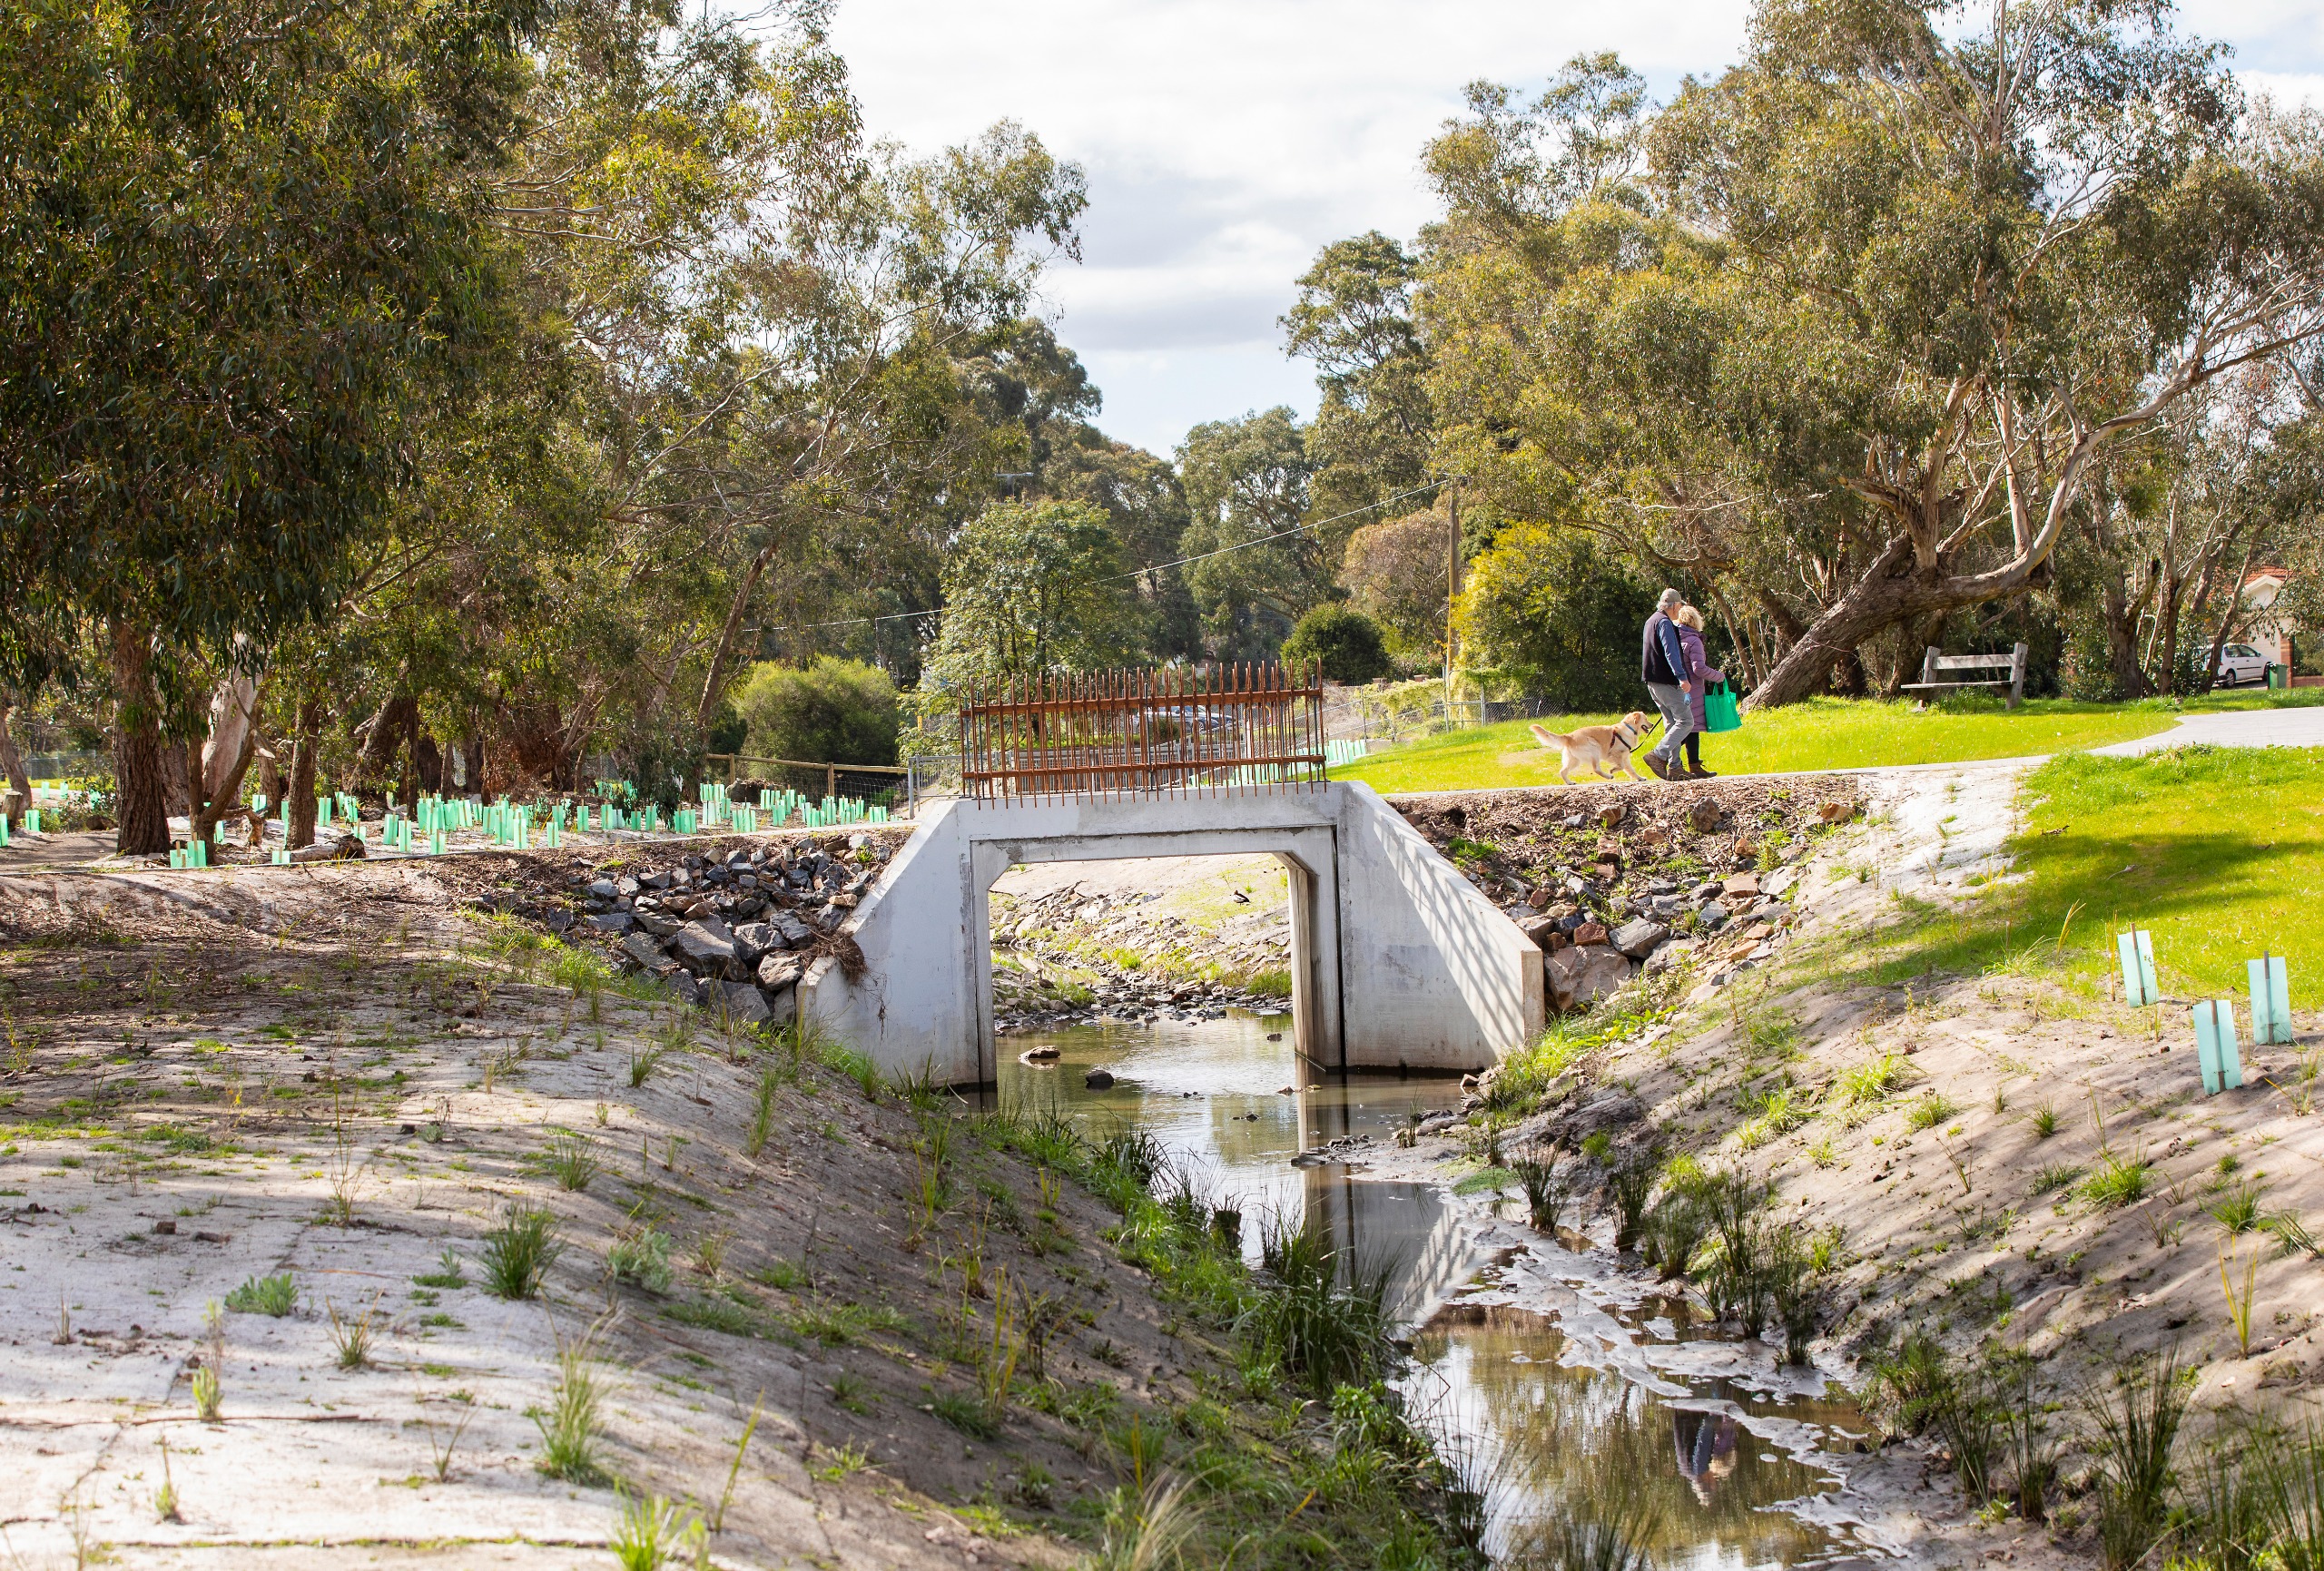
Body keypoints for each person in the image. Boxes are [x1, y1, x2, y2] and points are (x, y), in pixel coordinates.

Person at [1638, 588, 1695, 781]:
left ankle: (1675, 767)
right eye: (1680, 606)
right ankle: (1658, 754)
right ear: (1675, 606)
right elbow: (1671, 653)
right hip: (1667, 682)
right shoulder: (1664, 623)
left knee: (1671, 723)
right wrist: (1682, 677)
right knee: (1686, 722)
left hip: (1652, 681)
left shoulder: (1651, 620)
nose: (1680, 610)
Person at [1672, 604, 1725, 779]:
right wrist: (1719, 676)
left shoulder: (1673, 638)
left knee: (1691, 728)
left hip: (1676, 688)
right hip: (1693, 690)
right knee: (1688, 728)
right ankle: (1661, 755)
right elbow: (1699, 669)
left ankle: (1694, 766)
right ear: (1695, 620)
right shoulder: (1694, 640)